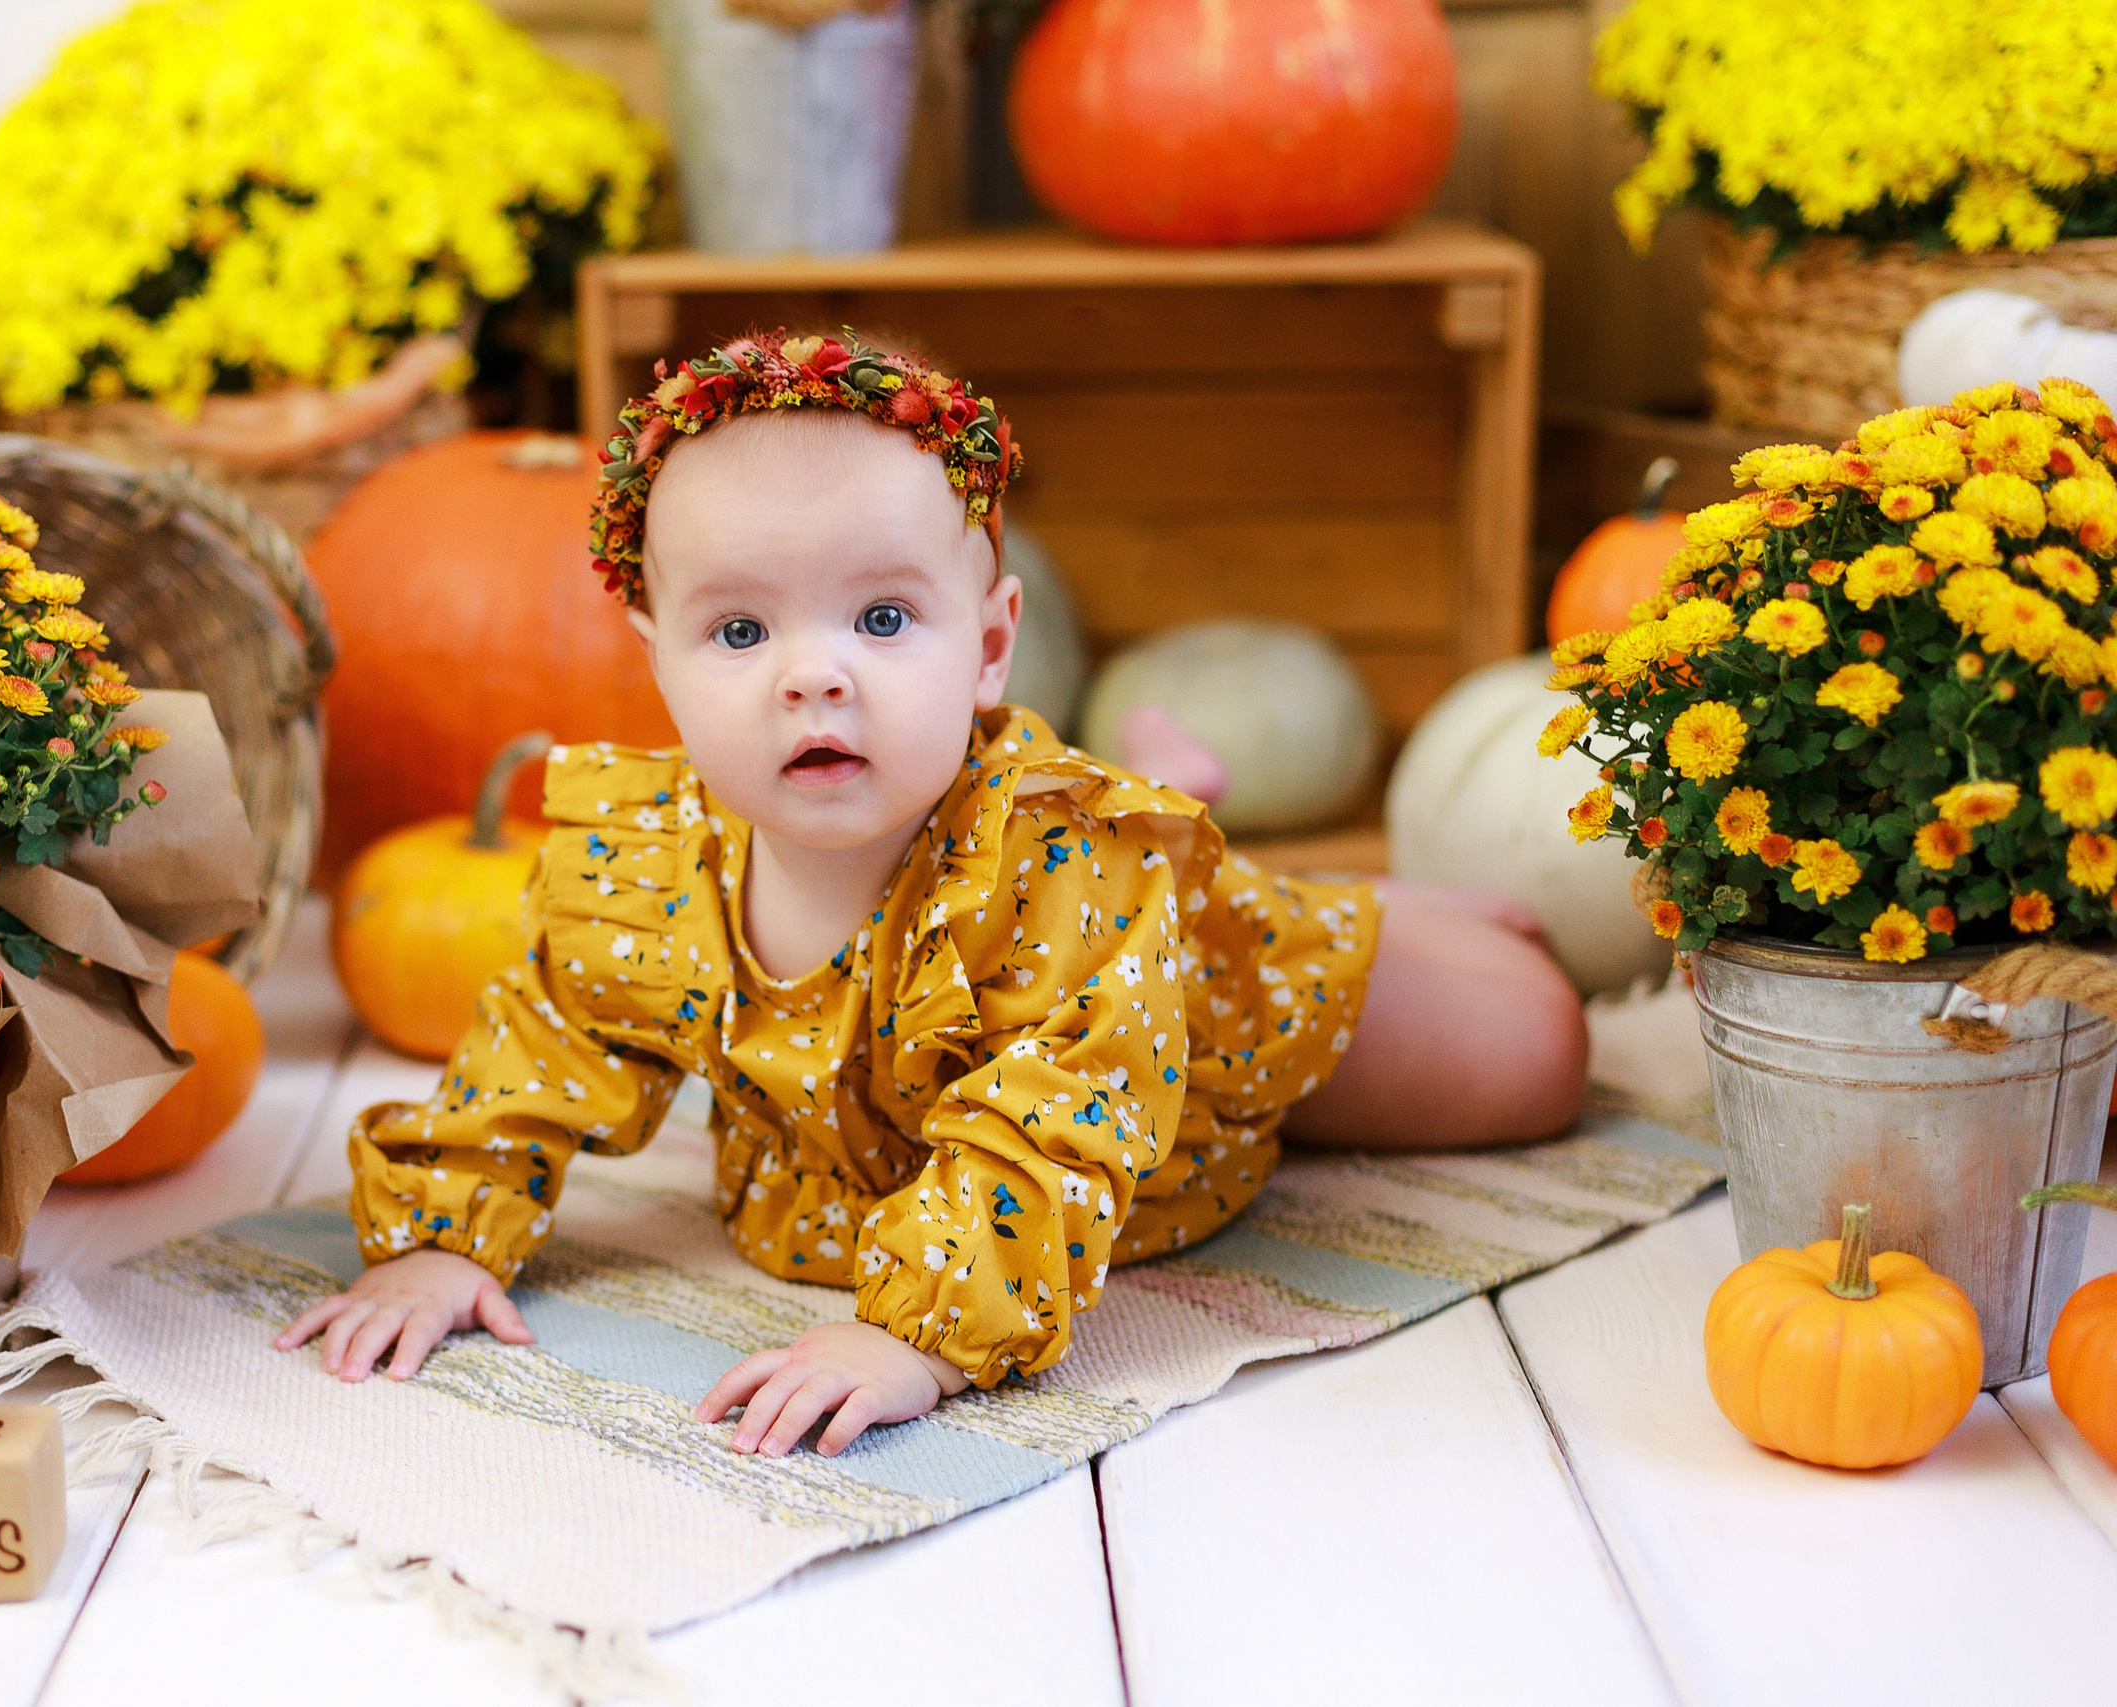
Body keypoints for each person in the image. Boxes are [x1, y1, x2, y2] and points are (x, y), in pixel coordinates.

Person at [277, 331, 1585, 1458]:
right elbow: (537, 1047)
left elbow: (1064, 1111)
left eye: (884, 620)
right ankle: (1317, 892)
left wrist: (923, 1333)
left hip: (1186, 1018)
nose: (814, 676)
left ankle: (1380, 916)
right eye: (741, 632)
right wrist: (443, 1235)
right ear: (657, 665)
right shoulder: (643, 865)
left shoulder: (1059, 862)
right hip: (968, 1095)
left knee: (1536, 1052)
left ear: (992, 644)